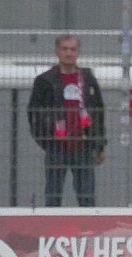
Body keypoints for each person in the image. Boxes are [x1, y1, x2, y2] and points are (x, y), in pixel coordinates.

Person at [27, 35, 106, 207]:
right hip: (57, 146)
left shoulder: (87, 79)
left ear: (78, 52)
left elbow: (98, 111)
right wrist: (46, 140)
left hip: (83, 145)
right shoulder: (45, 81)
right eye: (65, 49)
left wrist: (99, 144)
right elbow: (34, 113)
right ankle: (52, 224)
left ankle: (87, 224)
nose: (69, 53)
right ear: (57, 51)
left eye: (73, 49)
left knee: (87, 196)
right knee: (53, 196)